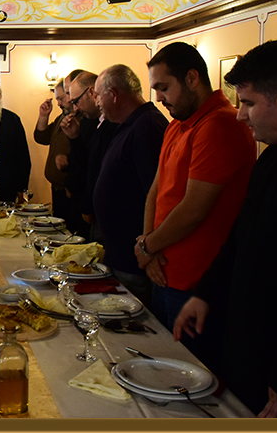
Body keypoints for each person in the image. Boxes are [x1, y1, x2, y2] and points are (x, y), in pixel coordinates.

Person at [173, 40, 277, 418]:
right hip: (248, 347)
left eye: (249, 103)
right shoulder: (271, 158)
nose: (240, 115)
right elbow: (240, 239)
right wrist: (205, 294)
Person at [134, 41, 256, 369]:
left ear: (191, 78)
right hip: (163, 269)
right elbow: (156, 190)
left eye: (163, 87)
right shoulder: (178, 123)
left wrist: (147, 247)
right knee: (161, 370)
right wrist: (147, 246)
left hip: (196, 283)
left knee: (189, 377)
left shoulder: (220, 124)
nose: (159, 98)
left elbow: (194, 210)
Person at [91, 65, 168, 307]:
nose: (97, 102)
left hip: (134, 260)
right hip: (121, 255)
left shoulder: (147, 127)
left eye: (98, 95)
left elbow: (156, 194)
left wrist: (147, 249)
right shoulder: (130, 124)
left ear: (113, 94)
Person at [60, 72, 118, 243]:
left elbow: (101, 173)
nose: (75, 108)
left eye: (76, 101)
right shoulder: (89, 120)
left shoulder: (114, 125)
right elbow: (87, 163)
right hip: (85, 204)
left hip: (104, 213)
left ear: (92, 92)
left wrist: (88, 206)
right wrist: (74, 137)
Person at [33, 71, 79, 222]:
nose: (58, 103)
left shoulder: (82, 120)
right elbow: (42, 137)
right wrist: (43, 116)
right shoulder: (62, 117)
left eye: (61, 98)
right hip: (57, 188)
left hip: (71, 190)